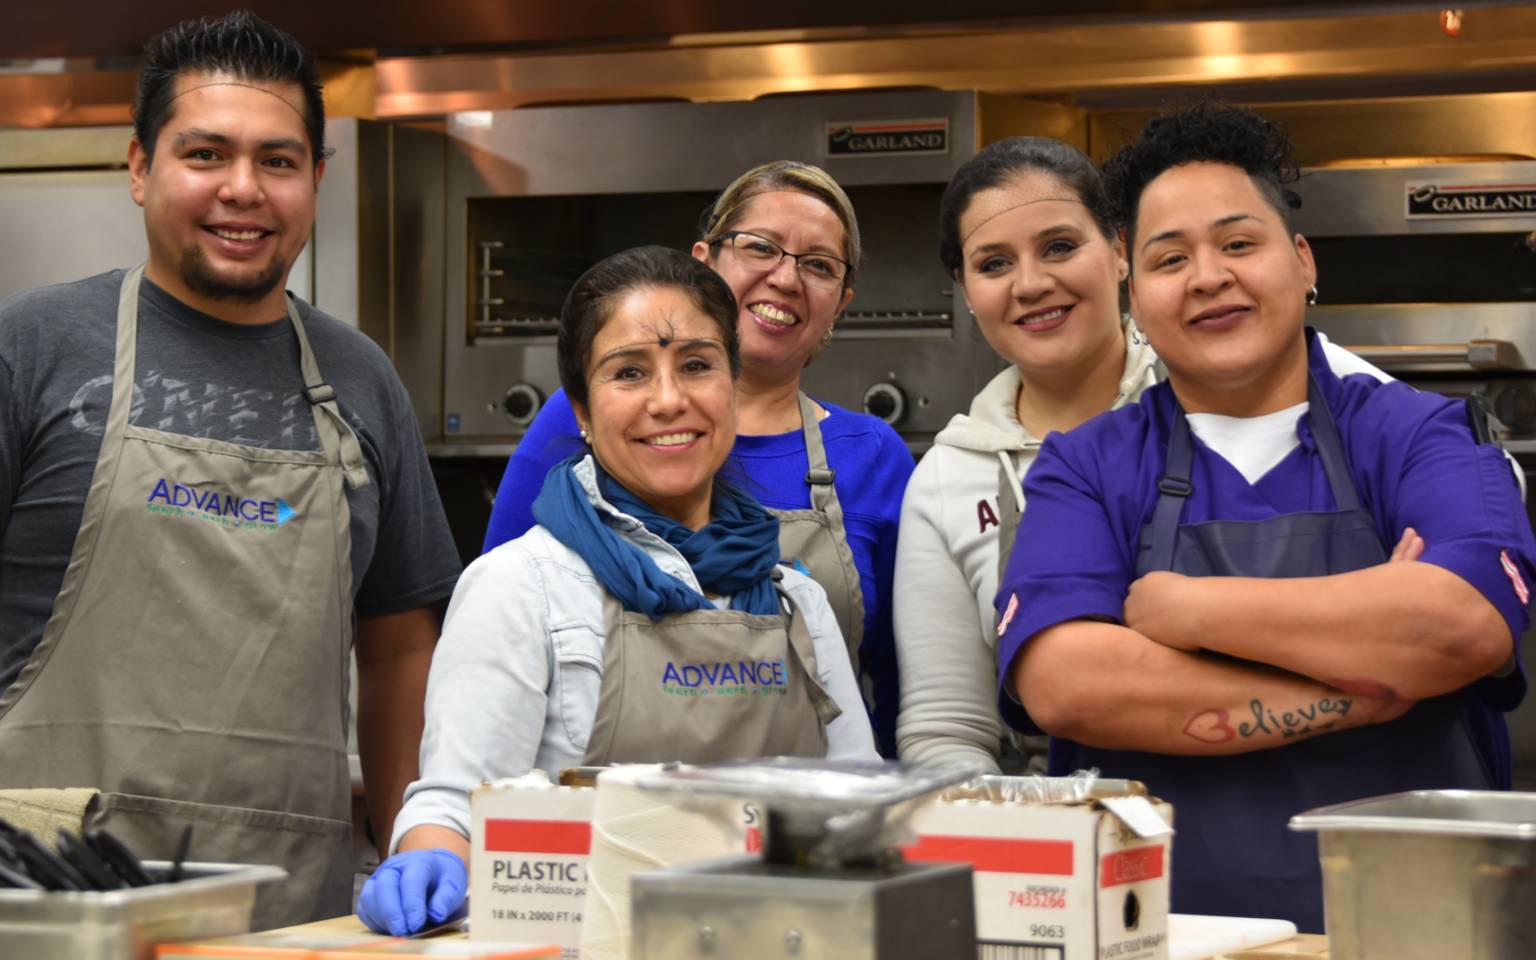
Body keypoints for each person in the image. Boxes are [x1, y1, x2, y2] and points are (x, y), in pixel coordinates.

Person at [995, 101, 1533, 930]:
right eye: (1170, 258)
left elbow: (1460, 627)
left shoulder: (1419, 433)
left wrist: (1182, 609)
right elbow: (1068, 684)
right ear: (1135, 296)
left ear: (1304, 260)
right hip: (1162, 937)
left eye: (1239, 243)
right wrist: (1362, 688)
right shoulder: (1087, 465)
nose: (1209, 276)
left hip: (1417, 932)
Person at [0, 11, 460, 928]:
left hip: (283, 897)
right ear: (140, 168)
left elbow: (401, 641)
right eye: (205, 154)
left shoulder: (363, 379)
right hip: (46, 892)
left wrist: (418, 827)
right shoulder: (36, 346)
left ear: (316, 181)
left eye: (278, 161)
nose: (242, 189)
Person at [357, 246, 878, 935]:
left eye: (697, 365)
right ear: (580, 409)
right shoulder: (518, 589)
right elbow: (457, 807)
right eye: (629, 372)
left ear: (731, 385)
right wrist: (429, 858)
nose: (669, 400)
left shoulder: (796, 605)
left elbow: (864, 810)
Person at [893, 136, 1386, 774]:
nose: (1032, 283)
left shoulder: (1249, 370)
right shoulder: (948, 478)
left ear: (1120, 251)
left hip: (1340, 778)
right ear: (964, 288)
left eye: (1060, 247)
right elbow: (948, 729)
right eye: (993, 264)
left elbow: (1477, 491)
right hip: (1085, 831)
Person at [482, 162, 913, 755]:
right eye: (761, 247)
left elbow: (899, 684)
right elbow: (504, 632)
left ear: (840, 302)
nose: (786, 279)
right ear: (705, 262)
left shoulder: (871, 457)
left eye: (818, 265)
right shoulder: (585, 416)